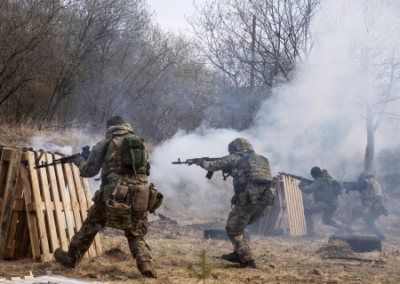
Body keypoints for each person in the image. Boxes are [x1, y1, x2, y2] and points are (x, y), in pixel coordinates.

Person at [54, 116, 156, 278]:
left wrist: (79, 161)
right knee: (135, 232)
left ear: (110, 128)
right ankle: (145, 264)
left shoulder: (105, 143)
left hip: (113, 194)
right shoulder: (140, 143)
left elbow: (88, 171)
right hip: (141, 194)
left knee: (91, 225)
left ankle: (71, 259)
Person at [196, 138, 274, 268]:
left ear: (235, 148)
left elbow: (211, 166)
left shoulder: (235, 158)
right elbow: (254, 178)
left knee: (233, 229)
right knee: (238, 224)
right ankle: (238, 253)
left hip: (249, 198)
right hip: (265, 198)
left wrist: (201, 162)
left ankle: (247, 260)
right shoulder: (262, 159)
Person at [299, 167, 351, 237]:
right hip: (334, 204)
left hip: (327, 203)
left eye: (313, 176)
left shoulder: (320, 180)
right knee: (327, 220)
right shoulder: (327, 179)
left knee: (308, 210)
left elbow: (308, 190)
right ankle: (344, 228)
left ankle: (311, 233)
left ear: (314, 174)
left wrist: (301, 186)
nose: (313, 177)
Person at [343, 171, 388, 240]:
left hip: (371, 204)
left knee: (353, 214)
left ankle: (341, 231)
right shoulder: (375, 182)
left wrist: (342, 185)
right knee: (369, 220)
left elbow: (354, 186)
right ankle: (381, 235)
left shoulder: (365, 182)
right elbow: (355, 184)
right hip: (379, 205)